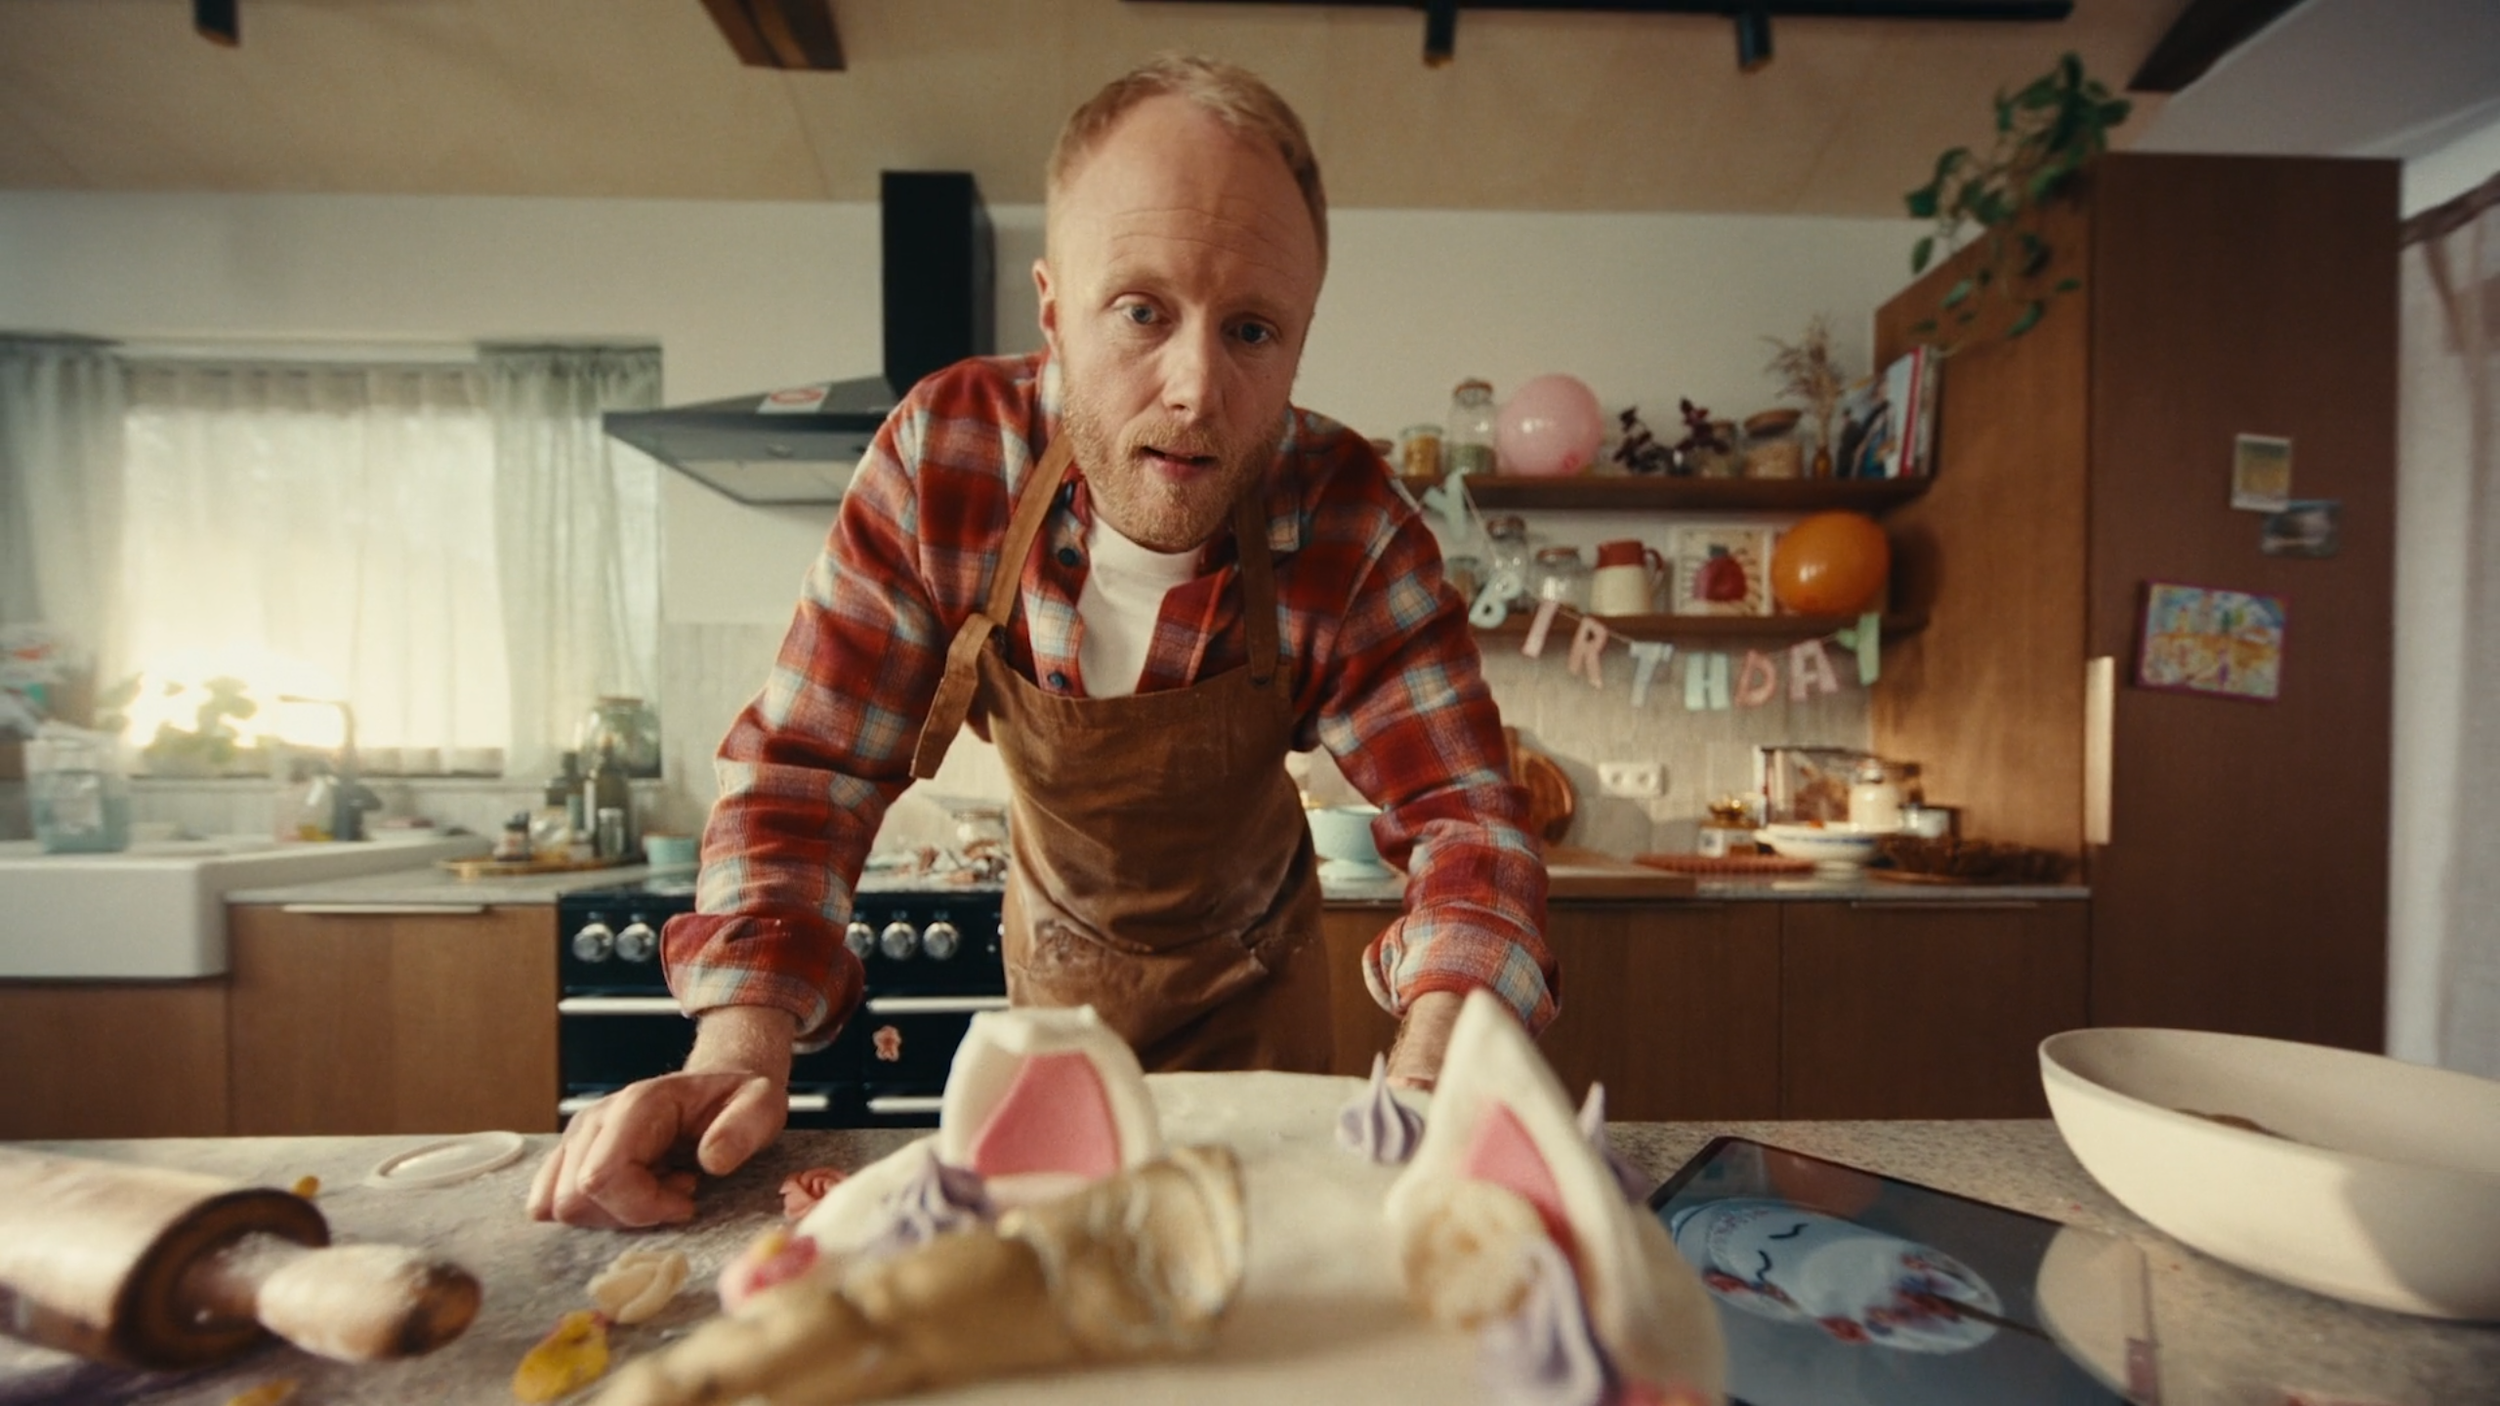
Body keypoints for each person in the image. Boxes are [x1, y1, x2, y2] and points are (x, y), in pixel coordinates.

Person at [530, 54, 1556, 1230]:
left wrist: (1437, 1058)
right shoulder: (945, 458)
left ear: (1300, 342)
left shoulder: (1350, 518)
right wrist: (738, 1040)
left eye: (1253, 331)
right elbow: (808, 774)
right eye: (1141, 311)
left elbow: (1468, 820)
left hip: (1263, 1003)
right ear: (1054, 310)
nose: (1192, 387)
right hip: (1056, 985)